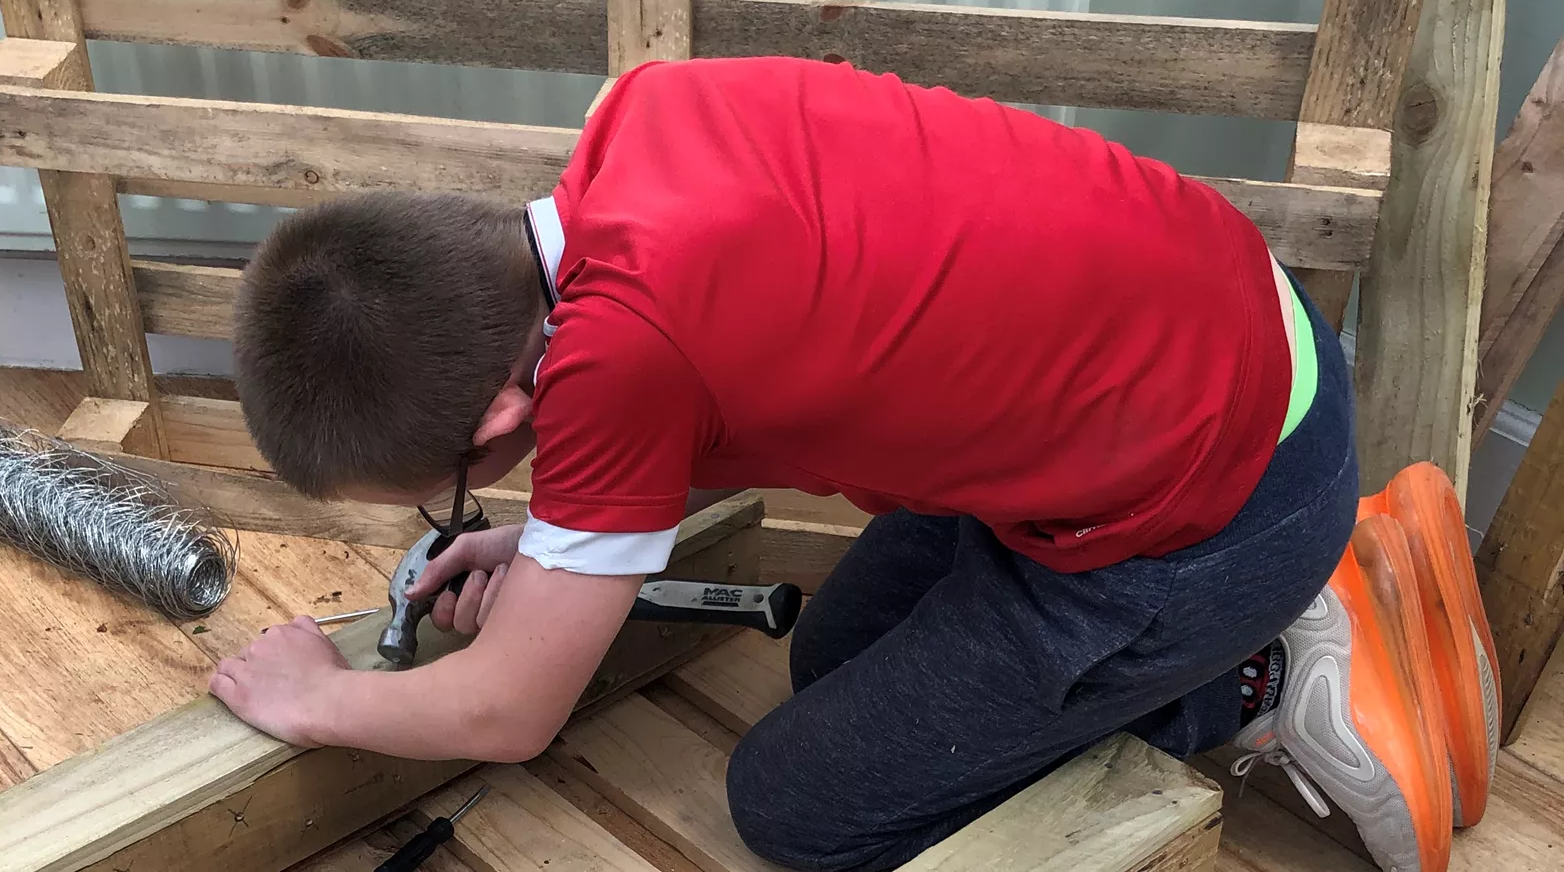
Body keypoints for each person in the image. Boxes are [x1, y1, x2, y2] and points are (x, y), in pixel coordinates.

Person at [209, 57, 1497, 872]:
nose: (471, 510)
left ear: (497, 413)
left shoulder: (621, 365)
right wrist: (555, 548)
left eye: (452, 493)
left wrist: (312, 697)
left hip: (1211, 508)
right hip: (1213, 361)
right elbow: (765, 357)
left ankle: (1260, 668)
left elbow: (506, 712)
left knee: (802, 813)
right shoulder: (641, 126)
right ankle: (1280, 591)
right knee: (828, 659)